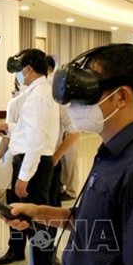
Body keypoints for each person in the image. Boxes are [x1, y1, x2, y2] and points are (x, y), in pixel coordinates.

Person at [5, 44, 133, 265]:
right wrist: (38, 213)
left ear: (121, 97)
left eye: (83, 96)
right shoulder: (109, 153)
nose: (72, 108)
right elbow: (91, 223)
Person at [0, 48, 60, 265]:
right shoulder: (38, 92)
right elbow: (28, 131)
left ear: (28, 69)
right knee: (31, 221)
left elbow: (35, 141)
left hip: (34, 165)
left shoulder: (39, 96)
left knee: (36, 221)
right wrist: (10, 128)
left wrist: (23, 177)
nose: (19, 74)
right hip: (35, 163)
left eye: (20, 69)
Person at [45, 55, 81, 205]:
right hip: (67, 125)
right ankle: (64, 187)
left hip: (69, 125)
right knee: (68, 161)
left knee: (69, 160)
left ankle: (71, 190)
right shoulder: (52, 82)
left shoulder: (52, 82)